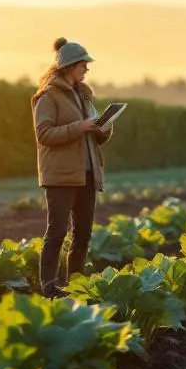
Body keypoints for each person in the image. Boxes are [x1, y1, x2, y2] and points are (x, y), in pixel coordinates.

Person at [31, 37, 114, 297]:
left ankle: (75, 286)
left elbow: (95, 134)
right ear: (69, 66)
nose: (87, 70)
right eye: (83, 65)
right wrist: (79, 127)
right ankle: (48, 287)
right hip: (60, 176)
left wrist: (103, 128)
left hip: (87, 172)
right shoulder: (47, 97)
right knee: (56, 233)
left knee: (83, 234)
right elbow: (44, 134)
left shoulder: (84, 94)